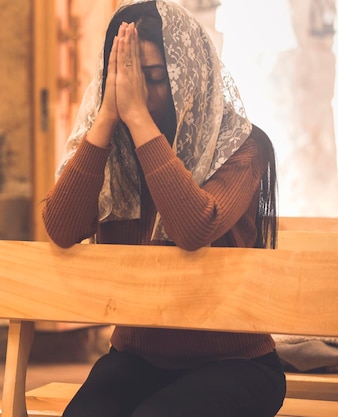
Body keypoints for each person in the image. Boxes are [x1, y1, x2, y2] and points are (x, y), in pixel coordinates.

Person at [41, 1, 285, 416]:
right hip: (138, 358)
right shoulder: (113, 150)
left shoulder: (242, 145)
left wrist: (138, 120)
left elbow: (192, 228)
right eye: (124, 81)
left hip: (236, 364)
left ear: (189, 76)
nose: (144, 97)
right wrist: (105, 120)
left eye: (155, 79)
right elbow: (62, 227)